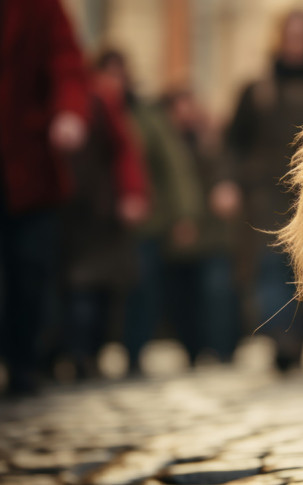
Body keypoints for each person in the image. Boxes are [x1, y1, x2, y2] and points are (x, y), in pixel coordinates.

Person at [226, 10, 303, 370]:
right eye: (291, 35)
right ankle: (282, 339)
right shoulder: (256, 91)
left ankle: (296, 339)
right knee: (269, 268)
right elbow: (233, 144)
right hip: (265, 196)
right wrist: (229, 183)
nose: (296, 43)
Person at [95, 50, 204, 375]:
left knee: (143, 290)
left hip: (144, 222)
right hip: (95, 224)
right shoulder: (85, 110)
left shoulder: (147, 117)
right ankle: (85, 353)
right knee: (96, 292)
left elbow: (174, 167)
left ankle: (133, 351)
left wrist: (185, 215)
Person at [0, 0, 89, 395]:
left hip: (28, 166)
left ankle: (23, 361)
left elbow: (67, 65)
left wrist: (69, 113)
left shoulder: (41, 7)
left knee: (30, 272)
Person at [58, 58, 150, 380]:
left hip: (99, 212)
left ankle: (86, 356)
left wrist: (131, 193)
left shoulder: (101, 102)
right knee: (74, 290)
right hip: (66, 209)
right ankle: (73, 354)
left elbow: (125, 151)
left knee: (96, 292)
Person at [161, 88, 242, 365]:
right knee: (184, 298)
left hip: (212, 235)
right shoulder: (167, 145)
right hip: (178, 236)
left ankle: (221, 349)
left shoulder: (210, 140)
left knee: (216, 294)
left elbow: (225, 169)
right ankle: (193, 350)